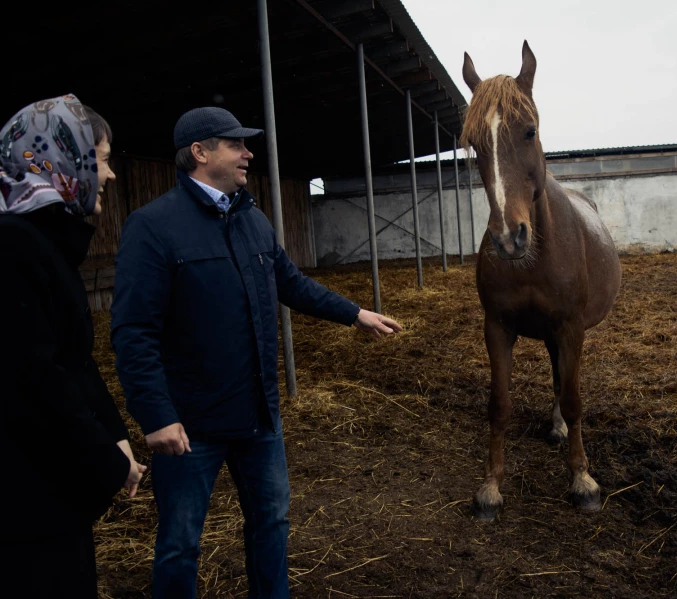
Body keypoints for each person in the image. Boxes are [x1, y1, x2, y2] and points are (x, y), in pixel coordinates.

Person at [111, 106, 401, 599]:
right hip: (190, 424)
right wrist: (155, 414)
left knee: (271, 525)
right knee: (180, 543)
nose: (248, 153)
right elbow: (132, 330)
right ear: (200, 153)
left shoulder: (252, 219)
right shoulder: (154, 226)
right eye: (235, 144)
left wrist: (354, 313)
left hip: (258, 417)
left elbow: (290, 282)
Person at [0, 95, 146, 598]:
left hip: (42, 499)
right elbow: (37, 379)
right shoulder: (13, 246)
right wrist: (105, 460)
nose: (108, 175)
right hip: (23, 508)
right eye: (101, 159)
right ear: (60, 158)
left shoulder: (41, 242)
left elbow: (75, 362)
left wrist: (115, 436)